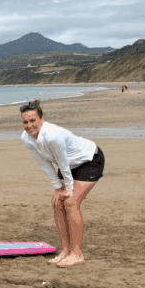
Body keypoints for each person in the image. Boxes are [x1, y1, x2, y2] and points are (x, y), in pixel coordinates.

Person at [20, 100, 105, 267]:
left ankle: (77, 254)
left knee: (71, 202)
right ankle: (65, 250)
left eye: (32, 121)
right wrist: (58, 188)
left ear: (42, 119)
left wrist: (69, 189)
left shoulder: (53, 136)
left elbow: (63, 163)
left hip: (89, 160)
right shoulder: (26, 138)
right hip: (68, 165)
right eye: (25, 122)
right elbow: (44, 163)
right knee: (57, 203)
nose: (29, 125)